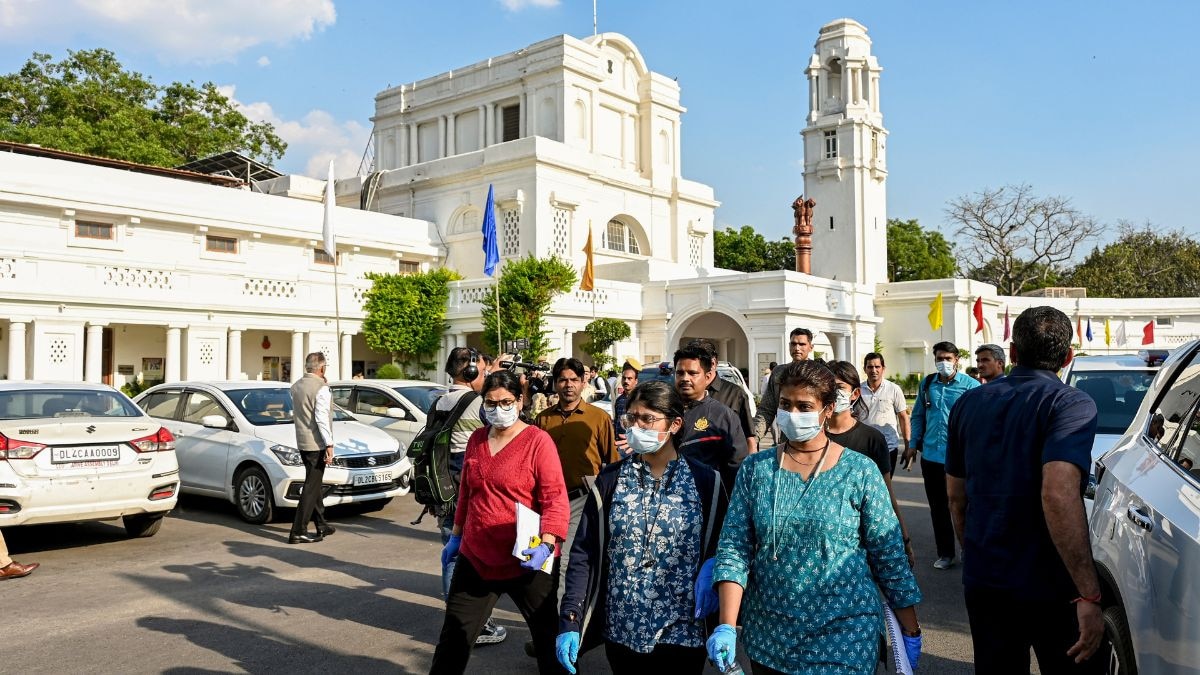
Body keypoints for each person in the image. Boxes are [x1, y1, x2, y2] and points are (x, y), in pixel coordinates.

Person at [707, 361, 923, 673]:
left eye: (804, 406)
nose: (792, 414)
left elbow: (889, 557)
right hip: (770, 636)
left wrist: (910, 630)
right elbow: (734, 549)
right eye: (785, 404)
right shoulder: (756, 470)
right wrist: (726, 625)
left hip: (845, 635)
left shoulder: (860, 471)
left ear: (827, 409)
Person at [946, 306, 1103, 673]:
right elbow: (1058, 494)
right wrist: (1088, 592)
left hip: (987, 576)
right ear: (1068, 356)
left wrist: (974, 551)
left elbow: (955, 497)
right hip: (1052, 582)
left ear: (1013, 352)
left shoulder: (968, 403)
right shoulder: (1070, 403)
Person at [556, 382, 729, 673]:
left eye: (647, 419)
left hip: (683, 632)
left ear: (674, 424)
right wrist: (570, 617)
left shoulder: (706, 482)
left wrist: (715, 569)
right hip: (622, 629)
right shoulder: (610, 480)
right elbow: (584, 552)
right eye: (632, 418)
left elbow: (727, 546)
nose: (636, 427)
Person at [431, 371, 570, 675]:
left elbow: (554, 498)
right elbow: (467, 493)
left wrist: (547, 544)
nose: (499, 409)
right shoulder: (477, 439)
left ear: (520, 401)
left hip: (528, 557)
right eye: (491, 403)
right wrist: (456, 537)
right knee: (452, 641)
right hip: (477, 556)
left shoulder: (538, 441)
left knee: (548, 642)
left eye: (506, 402)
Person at [435, 347, 506, 646]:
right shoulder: (476, 403)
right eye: (482, 369)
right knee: (471, 557)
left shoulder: (439, 400)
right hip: (466, 484)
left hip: (442, 487)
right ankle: (475, 624)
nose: (485, 374)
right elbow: (503, 429)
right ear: (471, 370)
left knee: (451, 553)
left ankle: (456, 620)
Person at [535, 358, 619, 605]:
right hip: (548, 502)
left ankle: (567, 620)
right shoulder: (543, 420)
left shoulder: (598, 418)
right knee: (545, 563)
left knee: (568, 563)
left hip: (582, 499)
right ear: (555, 383)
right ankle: (547, 620)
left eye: (574, 380)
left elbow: (613, 464)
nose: (568, 385)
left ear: (584, 383)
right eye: (563, 380)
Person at [825, 360, 916, 567]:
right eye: (828, 387)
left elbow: (886, 494)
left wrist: (904, 538)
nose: (832, 393)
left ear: (855, 394)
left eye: (839, 387)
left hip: (860, 540)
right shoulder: (812, 437)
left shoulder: (871, 439)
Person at [902, 341, 979, 570]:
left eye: (948, 358)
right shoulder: (927, 384)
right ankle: (945, 553)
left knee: (963, 505)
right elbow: (917, 416)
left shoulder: (971, 386)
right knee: (938, 507)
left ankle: (969, 549)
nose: (943, 362)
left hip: (960, 457)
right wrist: (913, 444)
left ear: (956, 360)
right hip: (931, 456)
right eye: (939, 359)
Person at [673, 344, 748, 490]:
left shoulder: (723, 416)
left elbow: (736, 465)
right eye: (680, 373)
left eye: (692, 373)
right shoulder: (661, 411)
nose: (685, 378)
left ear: (707, 377)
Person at [288, 352, 336, 545]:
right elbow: (321, 418)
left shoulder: (296, 386)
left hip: (302, 441)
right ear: (322, 368)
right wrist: (329, 444)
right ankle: (298, 531)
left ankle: (321, 524)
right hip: (316, 443)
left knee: (313, 484)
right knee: (311, 487)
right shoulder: (321, 388)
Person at [686, 338, 758, 454]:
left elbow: (749, 437)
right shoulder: (679, 394)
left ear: (713, 363)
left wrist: (751, 463)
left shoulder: (735, 394)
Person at [754, 328, 818, 445]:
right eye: (793, 344)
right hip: (787, 439)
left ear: (811, 347)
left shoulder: (819, 373)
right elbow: (766, 409)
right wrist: (754, 438)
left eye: (802, 344)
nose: (797, 348)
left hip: (815, 438)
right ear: (789, 346)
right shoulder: (778, 372)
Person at [860, 352, 911, 473]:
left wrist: (907, 447)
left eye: (877, 366)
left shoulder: (894, 389)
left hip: (888, 448)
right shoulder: (858, 390)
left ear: (883, 368)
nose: (874, 370)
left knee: (885, 483)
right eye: (870, 367)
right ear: (865, 369)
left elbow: (903, 418)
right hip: (863, 448)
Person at [611, 361, 640, 445]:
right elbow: (616, 420)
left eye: (629, 378)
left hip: (634, 444)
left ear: (636, 381)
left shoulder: (640, 400)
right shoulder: (619, 400)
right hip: (619, 443)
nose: (626, 381)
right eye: (624, 378)